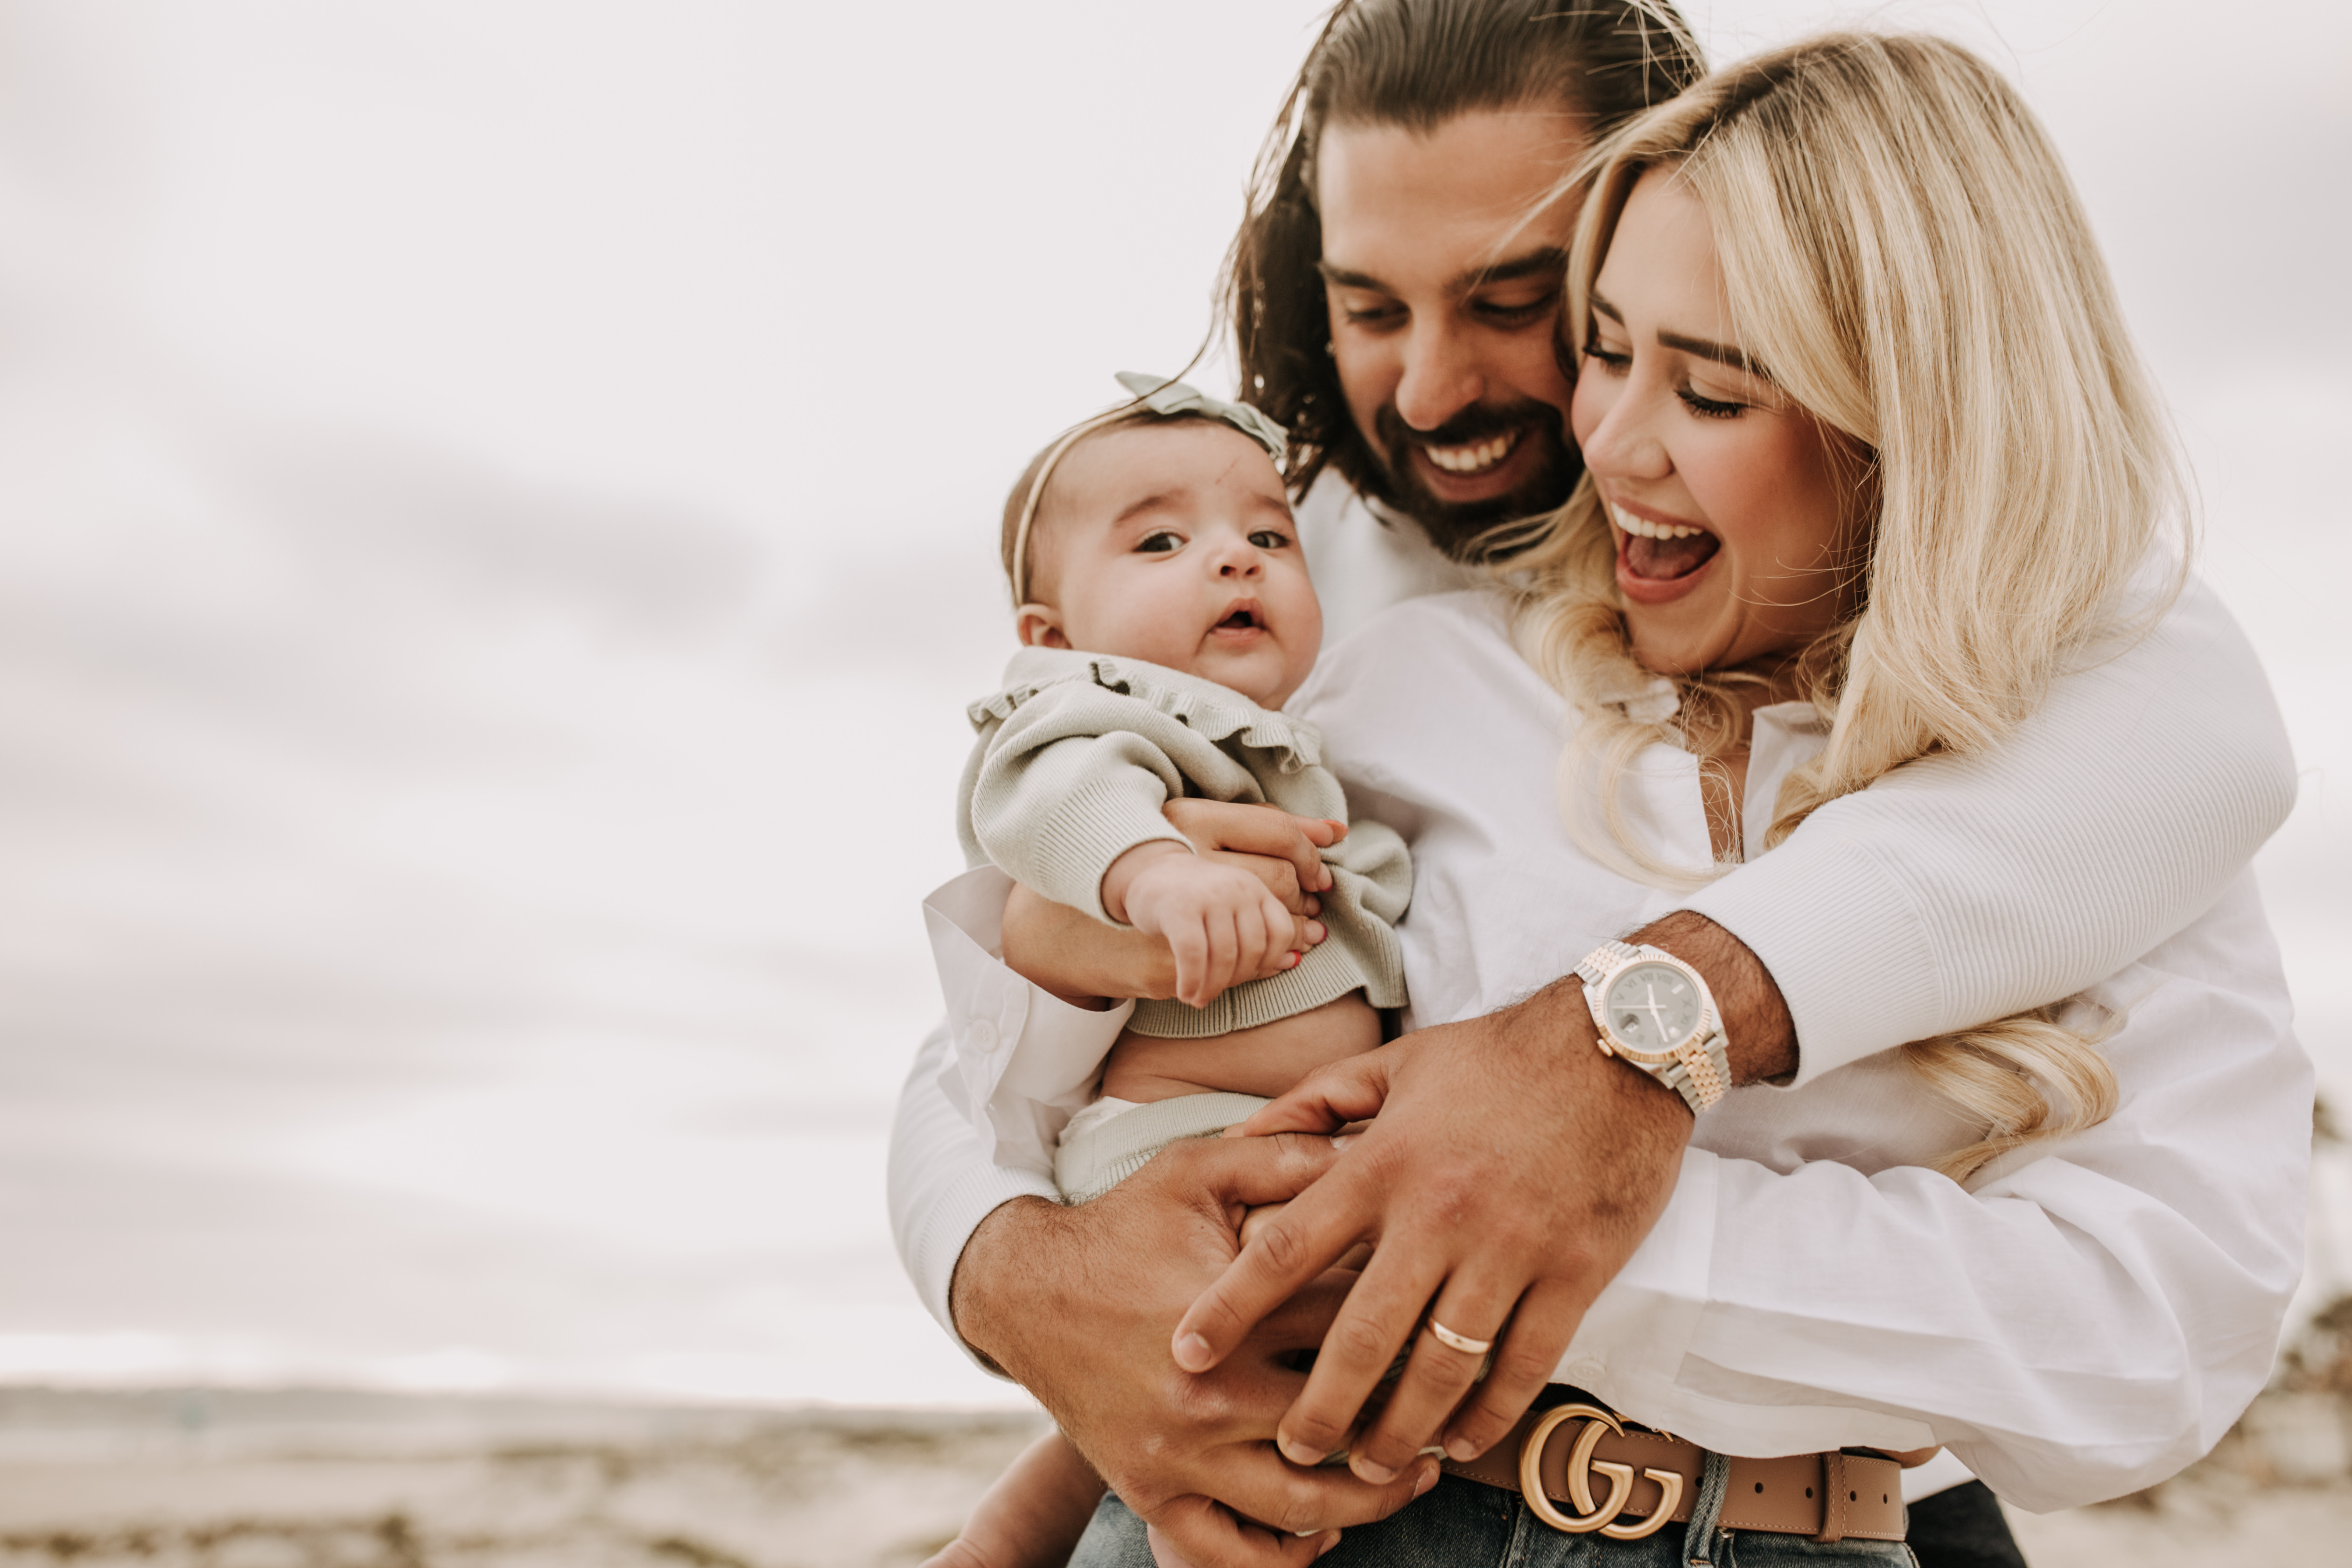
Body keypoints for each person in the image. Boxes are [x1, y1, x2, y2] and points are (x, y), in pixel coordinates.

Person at [892, 6, 2301, 1565]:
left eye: (1518, 302)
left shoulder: (2087, 731)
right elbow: (1067, 1095)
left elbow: (2144, 1320)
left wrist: (1553, 1153)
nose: (1449, 399)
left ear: (1905, 404)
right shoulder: (1355, 636)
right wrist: (1014, 1264)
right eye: (1607, 344)